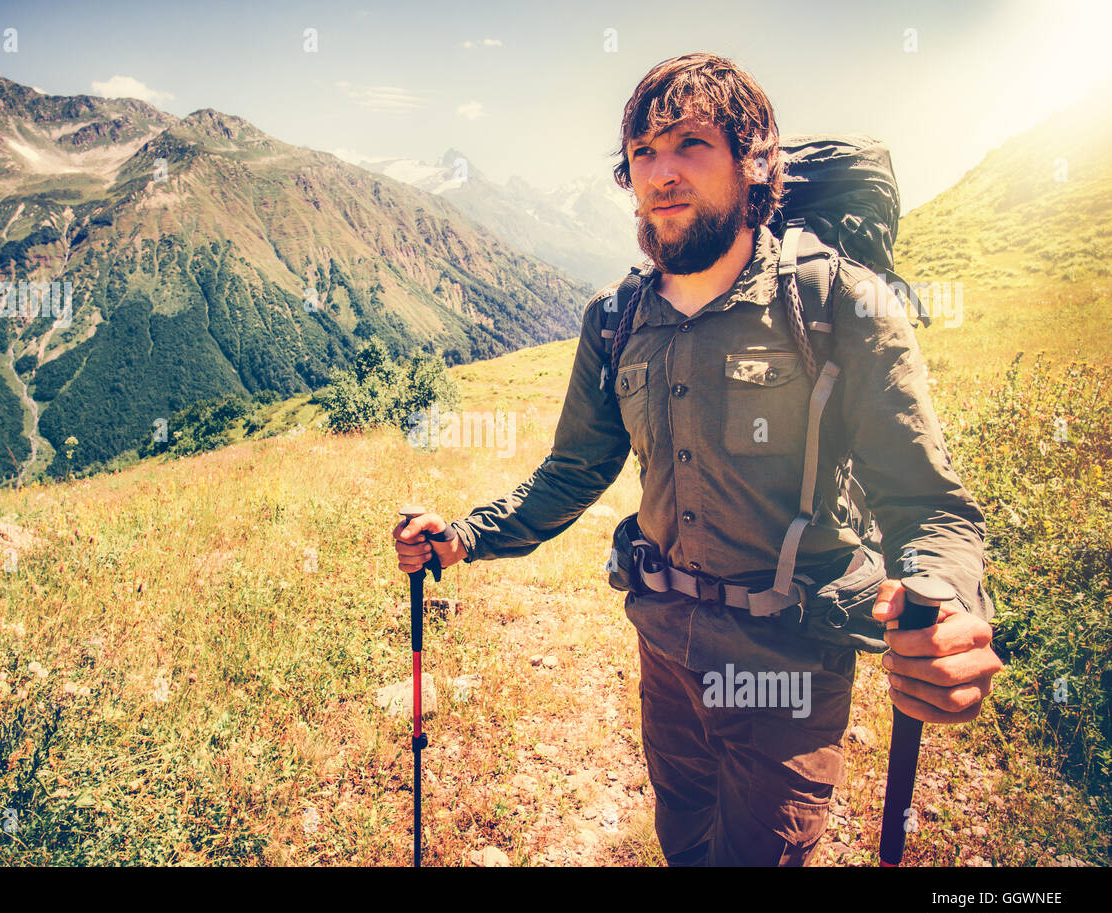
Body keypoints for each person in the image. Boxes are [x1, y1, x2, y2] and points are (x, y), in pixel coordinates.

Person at [391, 52, 1002, 866]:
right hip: (666, 657)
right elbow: (574, 471)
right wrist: (465, 535)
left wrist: (950, 604)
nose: (661, 173)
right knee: (683, 842)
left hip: (787, 673)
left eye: (689, 145)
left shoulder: (838, 304)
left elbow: (929, 504)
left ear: (753, 166)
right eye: (643, 153)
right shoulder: (615, 321)